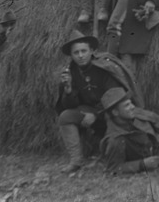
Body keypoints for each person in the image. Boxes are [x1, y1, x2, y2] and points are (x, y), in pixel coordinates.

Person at [55, 33, 144, 173]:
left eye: (84, 51)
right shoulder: (72, 72)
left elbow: (115, 98)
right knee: (65, 117)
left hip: (112, 111)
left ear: (91, 51)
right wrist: (68, 90)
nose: (80, 55)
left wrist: (96, 114)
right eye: (76, 52)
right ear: (71, 55)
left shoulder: (104, 67)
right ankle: (76, 161)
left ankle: (116, 154)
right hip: (90, 110)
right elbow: (70, 106)